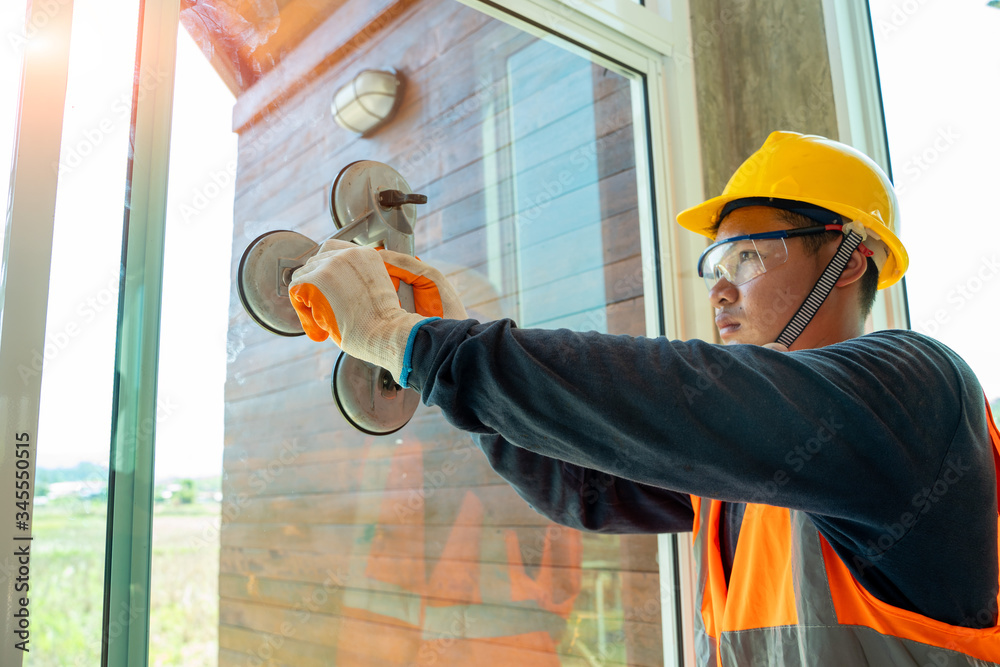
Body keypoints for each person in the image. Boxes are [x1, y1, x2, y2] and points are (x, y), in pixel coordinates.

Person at [286, 131, 1000, 666]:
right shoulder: (749, 471)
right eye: (713, 264)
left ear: (851, 259)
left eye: (747, 256)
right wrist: (442, 356)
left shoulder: (918, 389)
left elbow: (678, 401)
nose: (719, 286)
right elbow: (583, 485)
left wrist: (417, 342)